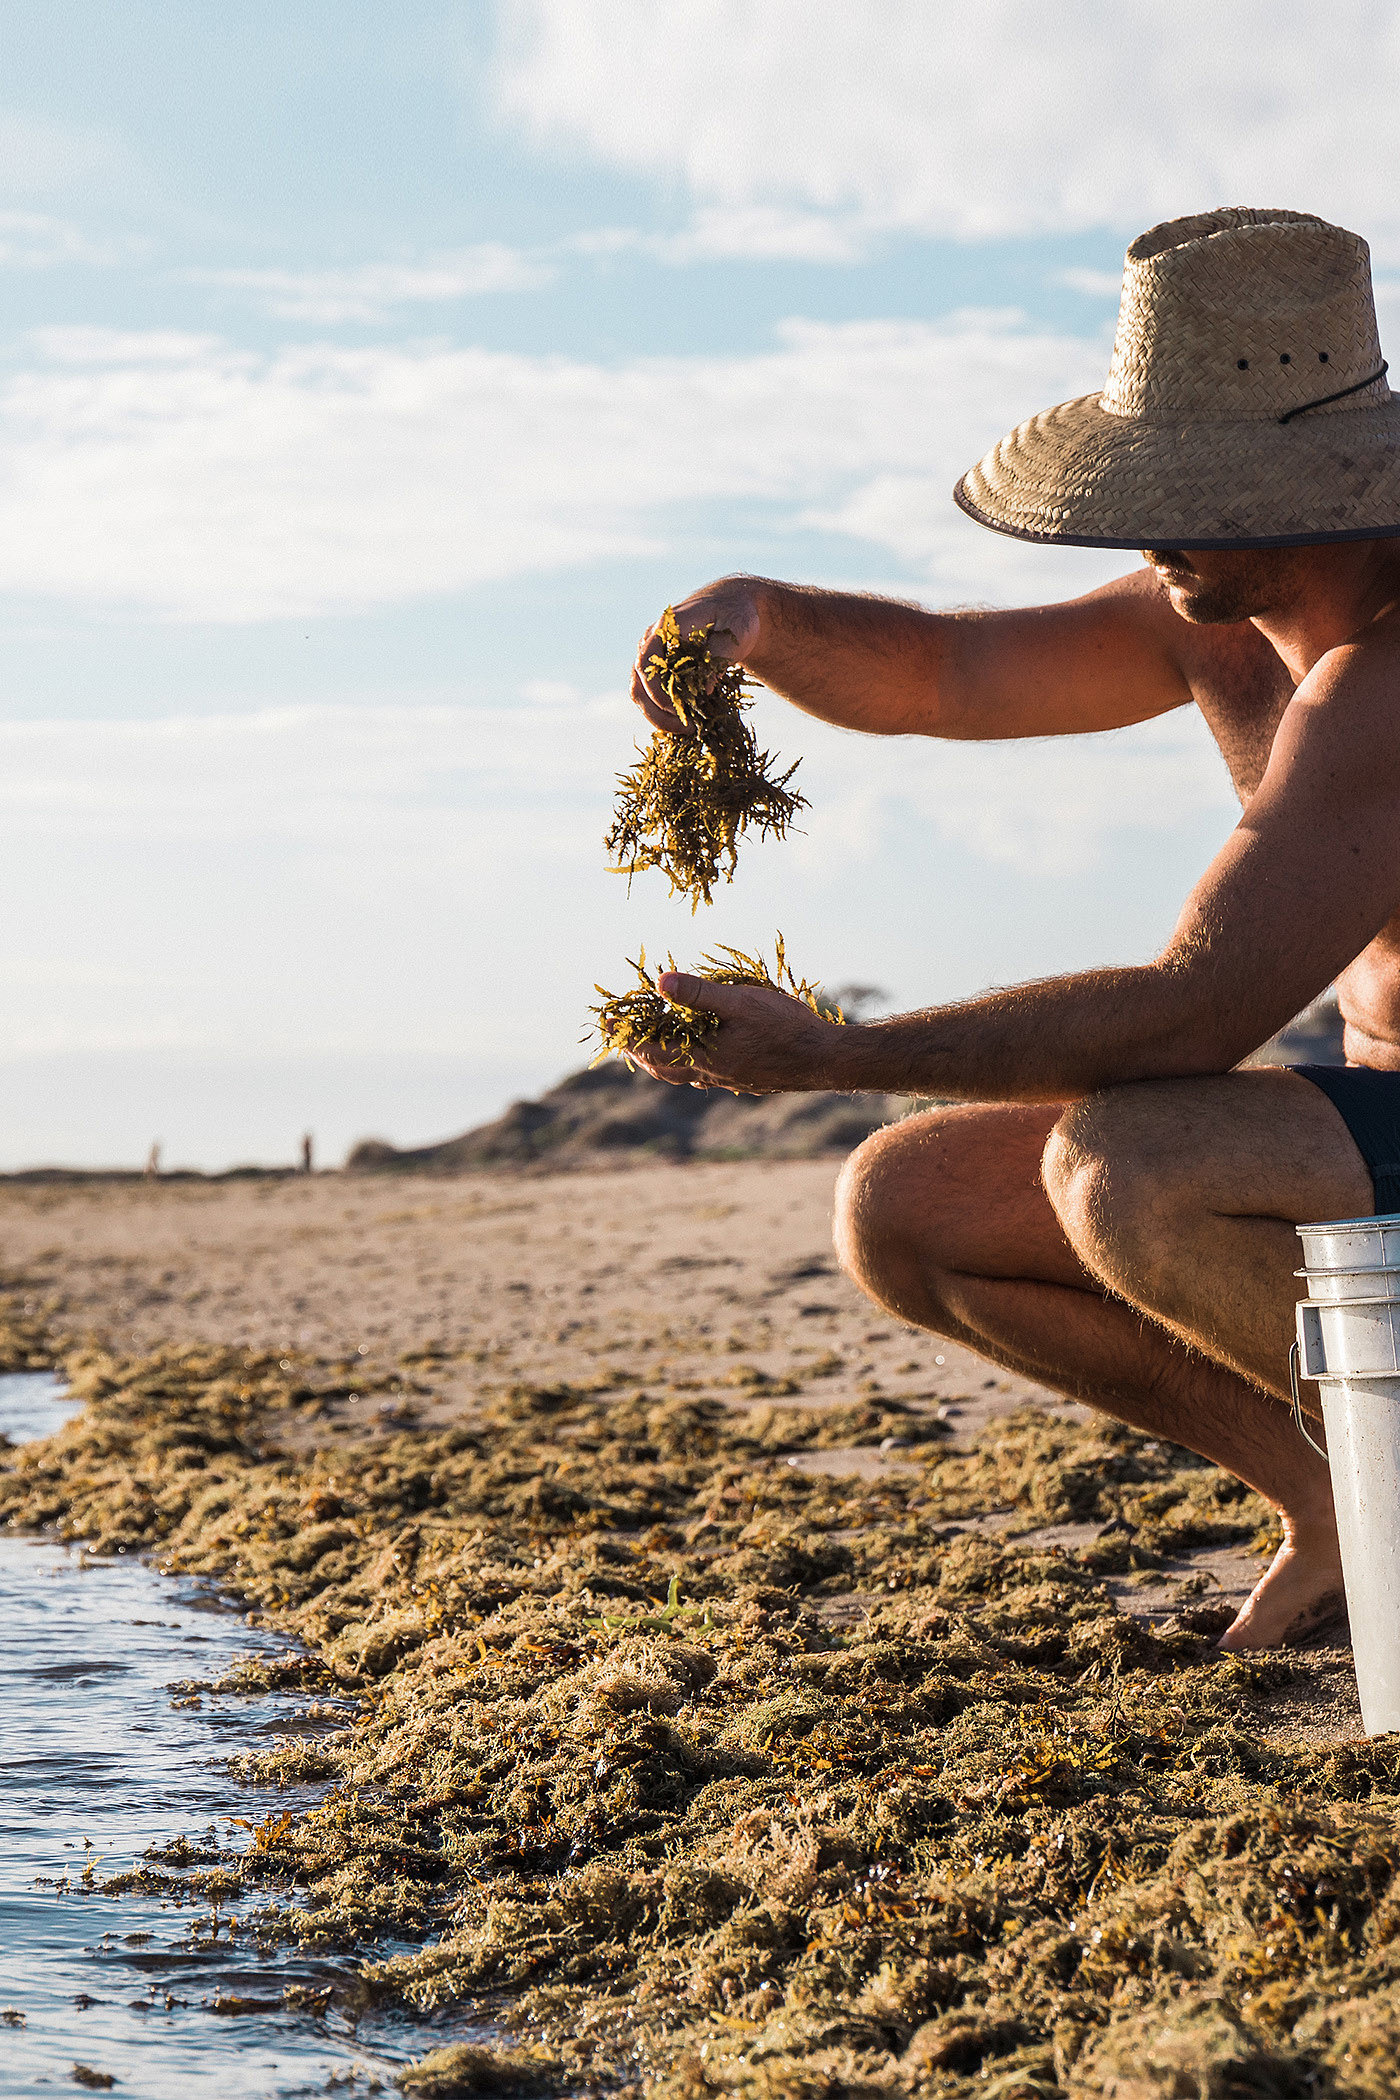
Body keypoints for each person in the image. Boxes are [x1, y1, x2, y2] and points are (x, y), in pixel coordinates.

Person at [626, 206, 1400, 1651]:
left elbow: (1195, 1012)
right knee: (907, 1207)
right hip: (1379, 1126)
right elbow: (949, 672)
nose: (1154, 524)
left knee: (1126, 1163)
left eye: (1196, 489)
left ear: (1312, 485)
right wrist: (761, 620)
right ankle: (1341, 1502)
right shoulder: (1214, 608)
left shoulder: (1389, 676)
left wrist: (830, 1053)